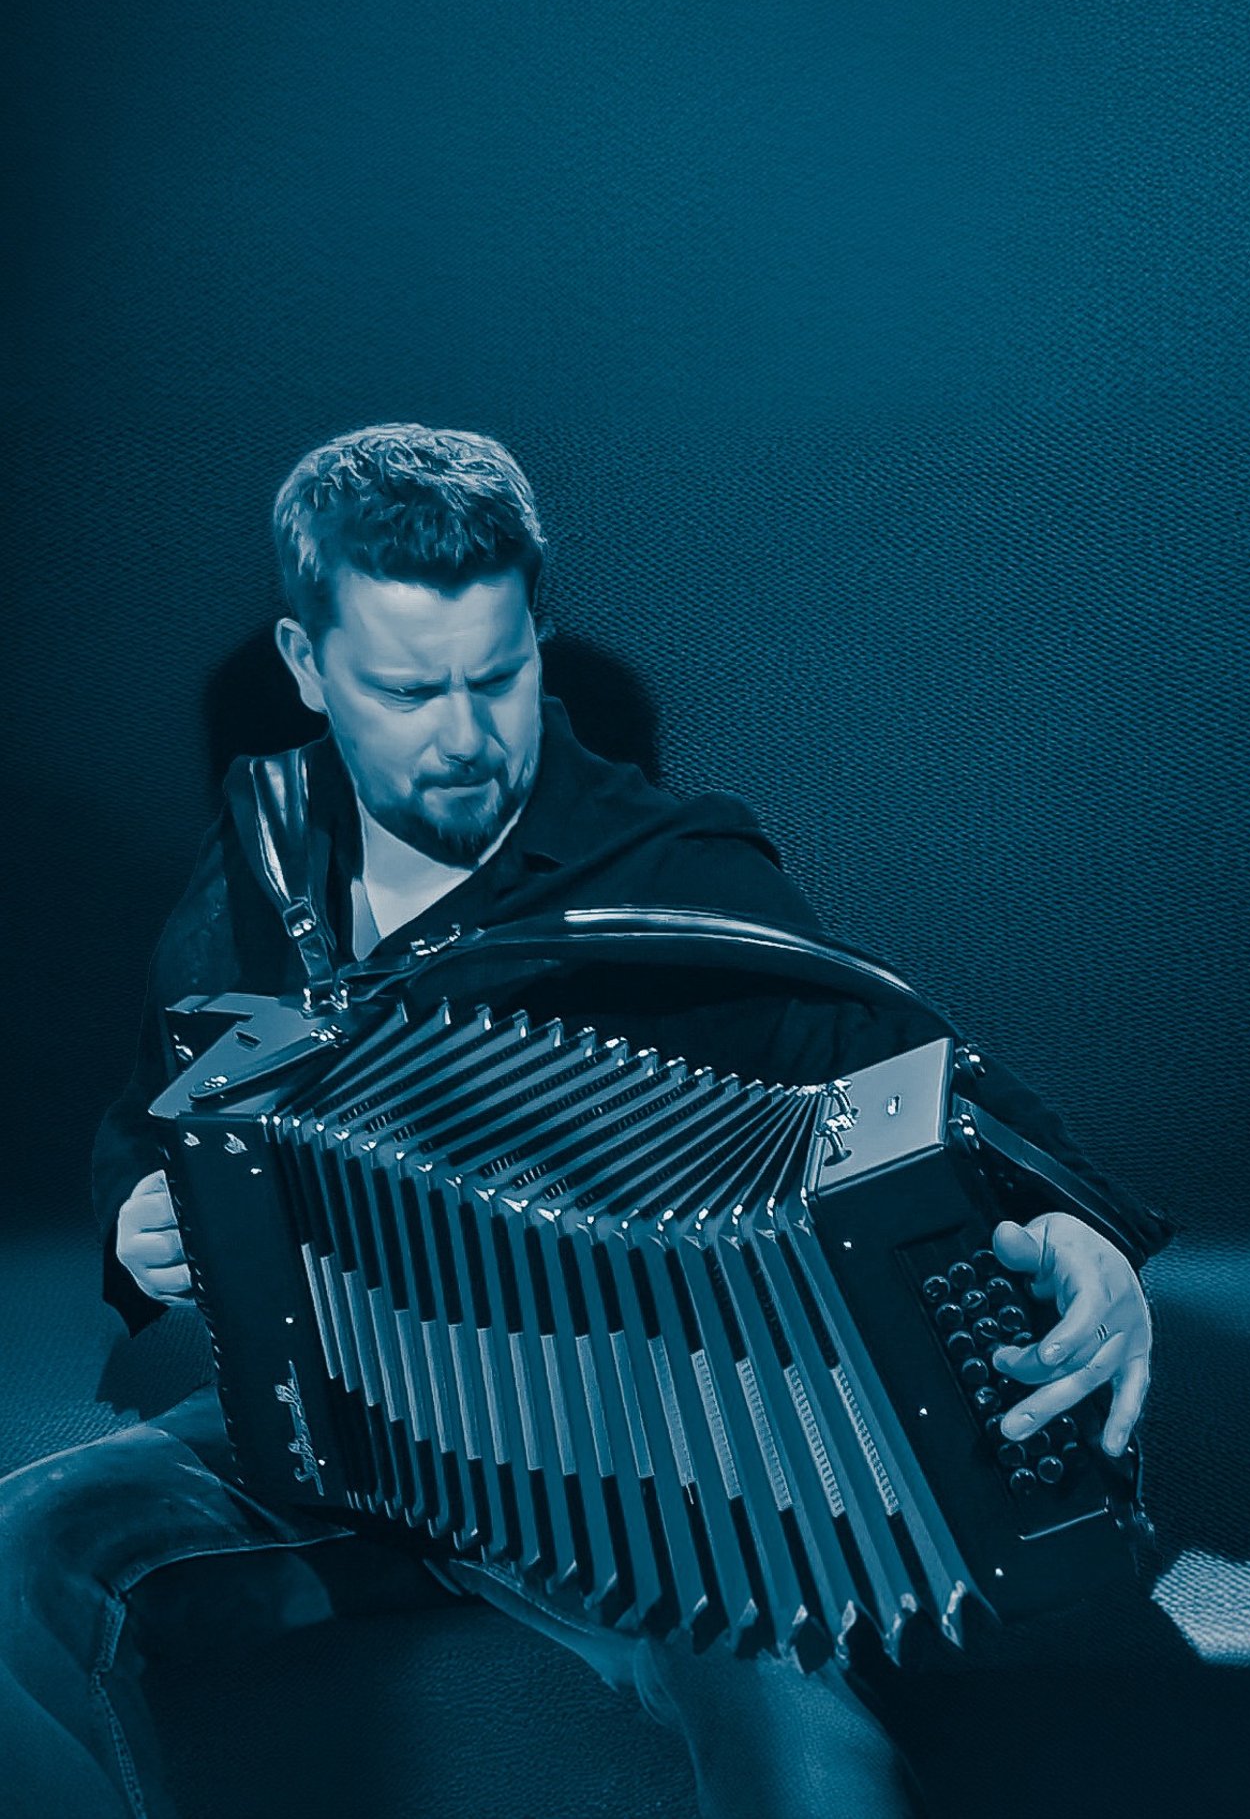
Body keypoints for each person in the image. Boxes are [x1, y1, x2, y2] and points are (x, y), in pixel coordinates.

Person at [0, 424, 1171, 1819]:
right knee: (22, 1554)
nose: (461, 738)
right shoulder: (260, 854)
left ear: (536, 639)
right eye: (403, 688)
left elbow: (936, 1089)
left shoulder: (667, 872)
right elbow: (160, 1112)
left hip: (621, 1470)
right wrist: (142, 1223)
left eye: (497, 677)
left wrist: (1080, 1241)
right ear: (309, 669)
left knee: (807, 1759)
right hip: (325, 1435)